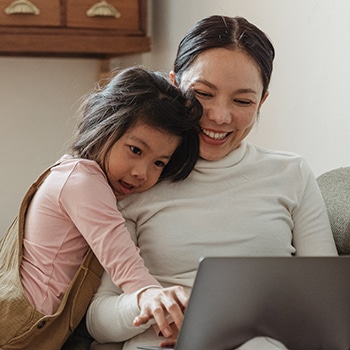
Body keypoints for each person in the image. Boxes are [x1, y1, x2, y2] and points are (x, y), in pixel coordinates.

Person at [86, 15, 338, 350]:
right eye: (203, 94)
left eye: (243, 101)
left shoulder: (291, 174)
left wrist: (226, 328)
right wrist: (148, 304)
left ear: (262, 100)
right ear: (175, 86)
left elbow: (328, 307)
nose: (220, 116)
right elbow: (97, 320)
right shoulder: (141, 178)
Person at [0, 66, 202, 349]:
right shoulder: (83, 181)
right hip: (16, 330)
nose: (141, 172)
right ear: (104, 126)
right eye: (135, 150)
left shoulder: (73, 174)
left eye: (159, 163)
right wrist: (151, 295)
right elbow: (121, 257)